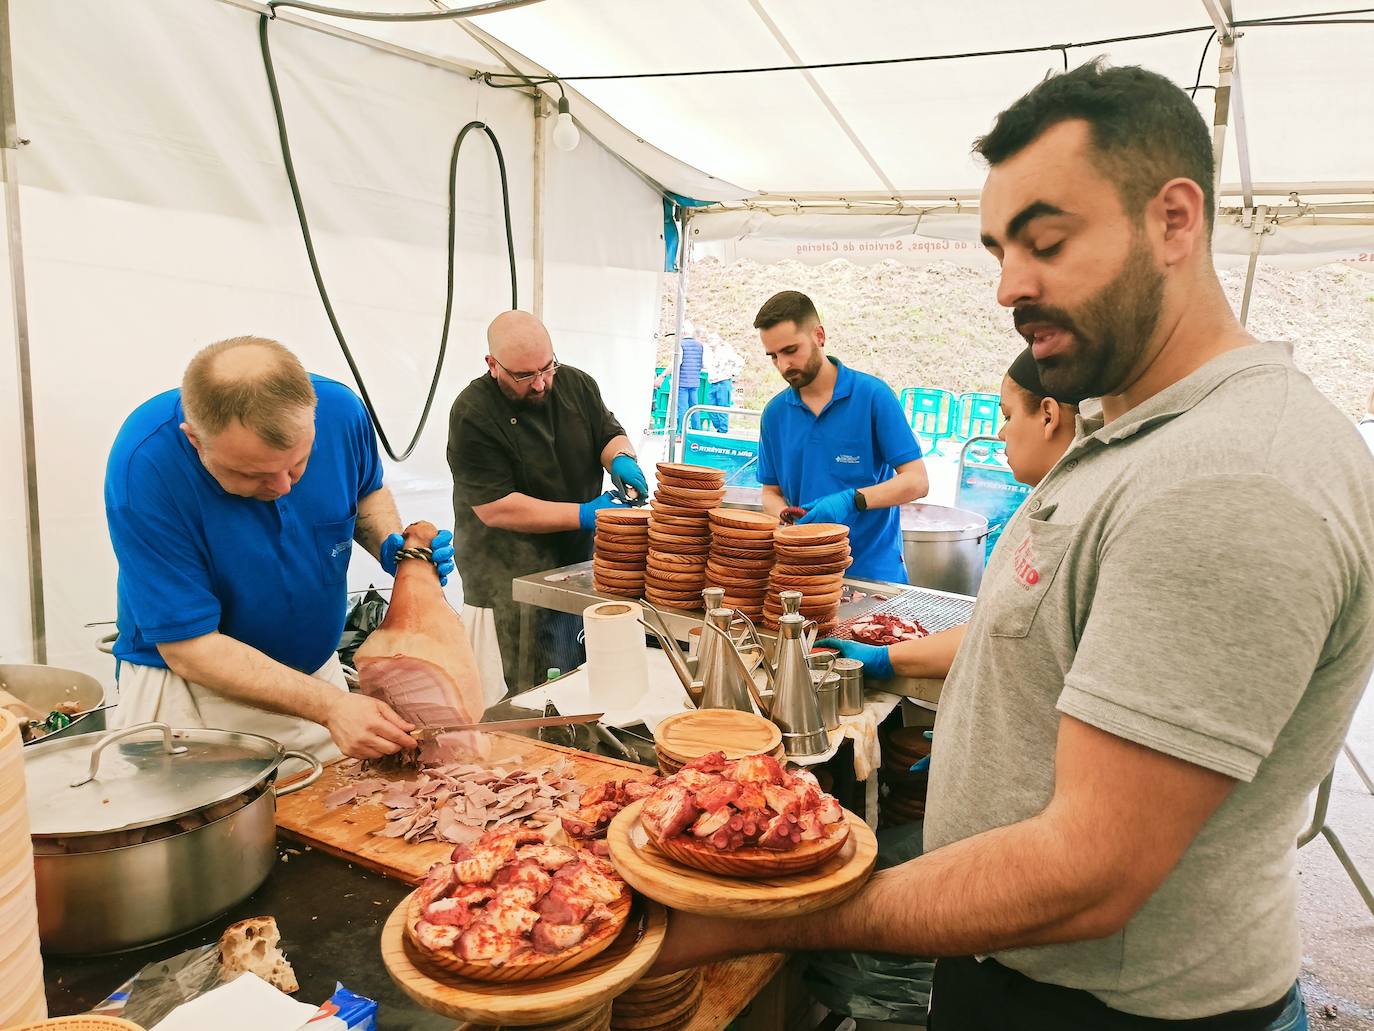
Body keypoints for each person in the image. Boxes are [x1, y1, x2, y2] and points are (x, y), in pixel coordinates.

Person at [651, 62, 1374, 1031]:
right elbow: (1038, 637)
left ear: (1173, 220)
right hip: (1015, 971)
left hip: (1111, 1010)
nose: (1007, 288)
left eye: (1046, 241)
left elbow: (1089, 873)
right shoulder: (1130, 433)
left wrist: (765, 917)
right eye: (999, 249)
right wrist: (887, 657)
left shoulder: (1226, 481)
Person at [104, 336, 454, 760]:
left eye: (298, 464)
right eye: (253, 475)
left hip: (315, 678)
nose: (283, 487)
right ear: (196, 440)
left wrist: (391, 545)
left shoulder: (341, 412)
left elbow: (367, 492)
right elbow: (189, 647)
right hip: (193, 697)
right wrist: (330, 707)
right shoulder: (146, 464)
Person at [821, 345, 1078, 678]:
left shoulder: (1076, 515)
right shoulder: (1046, 501)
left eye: (1008, 415)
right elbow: (993, 630)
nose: (1001, 433)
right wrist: (889, 659)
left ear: (1048, 416)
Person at [447, 311, 648, 692]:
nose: (540, 384)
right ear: (493, 365)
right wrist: (586, 513)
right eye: (525, 376)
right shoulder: (473, 412)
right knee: (521, 693)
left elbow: (608, 433)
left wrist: (621, 458)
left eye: (547, 368)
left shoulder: (576, 384)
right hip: (504, 580)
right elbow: (495, 507)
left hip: (577, 568)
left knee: (579, 683)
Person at [754, 290, 929, 583]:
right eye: (773, 357)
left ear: (819, 336)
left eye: (790, 350)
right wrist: (785, 516)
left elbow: (916, 481)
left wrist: (852, 500)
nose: (783, 366)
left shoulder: (873, 397)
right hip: (806, 571)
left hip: (872, 573)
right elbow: (770, 492)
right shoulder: (774, 414)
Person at [700, 331, 744, 432]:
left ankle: (723, 430)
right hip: (712, 382)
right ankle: (719, 427)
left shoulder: (726, 351)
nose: (710, 341)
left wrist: (733, 373)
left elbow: (739, 361)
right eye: (709, 339)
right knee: (710, 408)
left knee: (722, 407)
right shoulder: (708, 353)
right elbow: (706, 365)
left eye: (713, 339)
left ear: (719, 340)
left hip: (723, 381)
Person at [672, 320, 703, 433]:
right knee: (694, 407)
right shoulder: (700, 345)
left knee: (682, 408)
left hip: (683, 382)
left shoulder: (680, 344)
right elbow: (701, 363)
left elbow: (677, 363)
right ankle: (697, 431)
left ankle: (681, 432)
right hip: (695, 381)